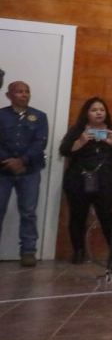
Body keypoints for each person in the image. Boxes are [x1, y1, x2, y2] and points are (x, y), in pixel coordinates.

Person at [60, 97, 112, 264]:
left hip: (105, 180)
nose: (98, 113)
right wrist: (82, 140)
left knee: (108, 217)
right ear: (87, 113)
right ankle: (78, 252)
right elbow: (64, 150)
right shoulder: (77, 130)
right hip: (78, 179)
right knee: (78, 216)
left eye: (101, 110)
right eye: (94, 110)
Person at [0, 81, 48, 267]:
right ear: (9, 95)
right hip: (3, 171)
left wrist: (22, 160)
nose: (24, 94)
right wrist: (9, 161)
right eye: (19, 91)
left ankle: (28, 251)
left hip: (30, 171)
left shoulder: (39, 116)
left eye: (27, 91)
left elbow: (40, 142)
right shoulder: (1, 115)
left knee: (28, 212)